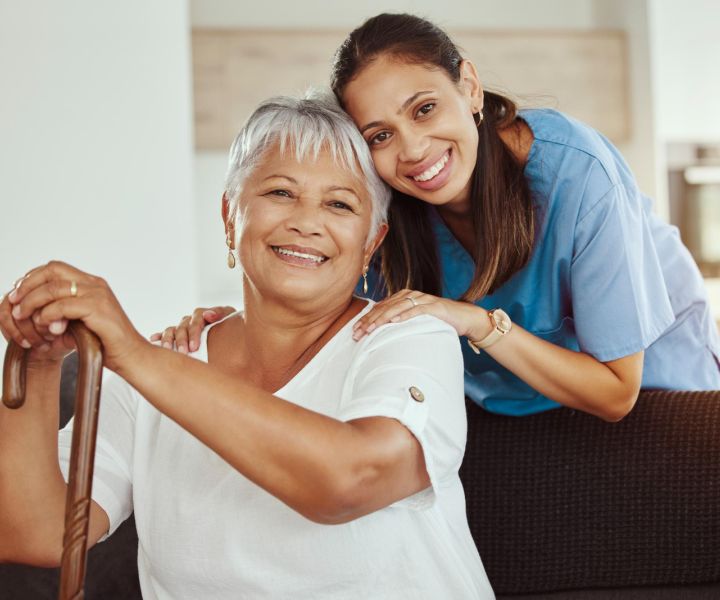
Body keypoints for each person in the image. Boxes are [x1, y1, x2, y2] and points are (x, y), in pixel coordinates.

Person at [0, 93, 494, 599]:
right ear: (229, 216)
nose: (307, 221)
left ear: (371, 241)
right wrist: (36, 366)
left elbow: (349, 481)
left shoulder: (410, 336)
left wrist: (135, 355)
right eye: (281, 192)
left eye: (339, 204)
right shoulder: (154, 370)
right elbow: (34, 537)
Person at [159, 13, 720, 422]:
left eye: (424, 108)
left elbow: (617, 391)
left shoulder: (577, 173)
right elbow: (325, 315)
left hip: (658, 401)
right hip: (510, 415)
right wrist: (224, 335)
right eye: (380, 135)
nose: (414, 150)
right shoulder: (385, 207)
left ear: (469, 86)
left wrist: (477, 322)